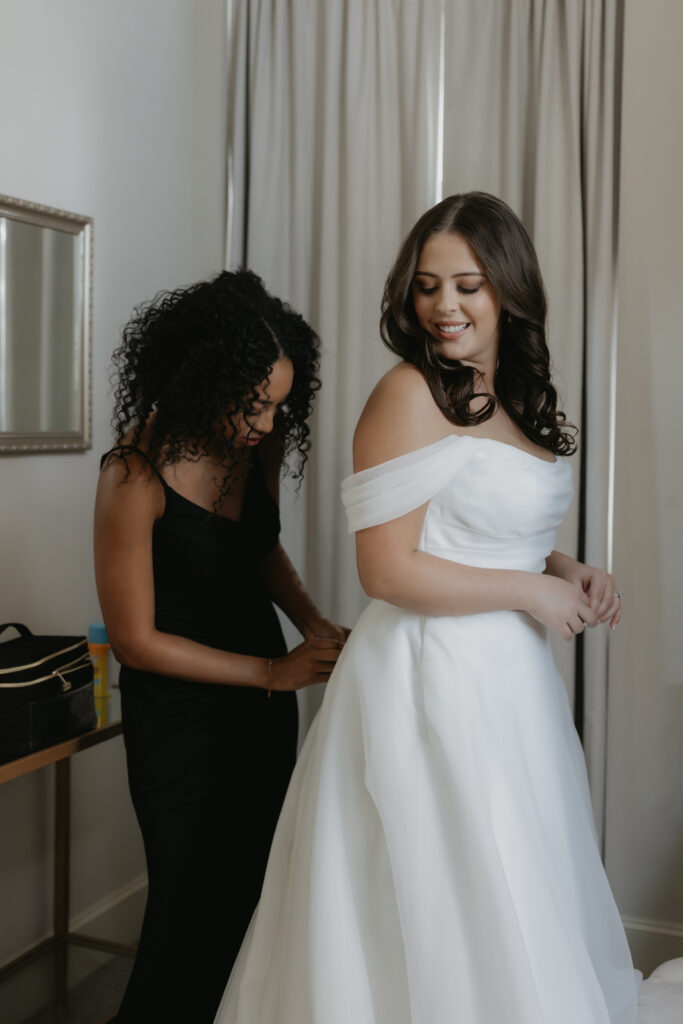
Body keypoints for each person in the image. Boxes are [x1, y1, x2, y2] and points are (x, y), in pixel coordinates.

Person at [213, 193, 639, 1024]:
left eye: (468, 285)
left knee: (508, 878)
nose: (444, 306)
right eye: (426, 286)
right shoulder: (407, 392)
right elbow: (386, 567)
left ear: (508, 290)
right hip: (423, 675)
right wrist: (530, 590)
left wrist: (566, 566)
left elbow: (485, 529)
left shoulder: (510, 389)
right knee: (435, 884)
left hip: (507, 680)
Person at [94, 269, 346, 1023]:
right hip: (178, 713)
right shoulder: (132, 474)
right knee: (185, 906)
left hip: (263, 704)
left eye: (277, 405)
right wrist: (274, 670)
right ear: (203, 380)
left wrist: (311, 624)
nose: (267, 424)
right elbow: (135, 643)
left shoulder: (252, 454)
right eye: (253, 403)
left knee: (252, 893)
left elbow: (259, 550)